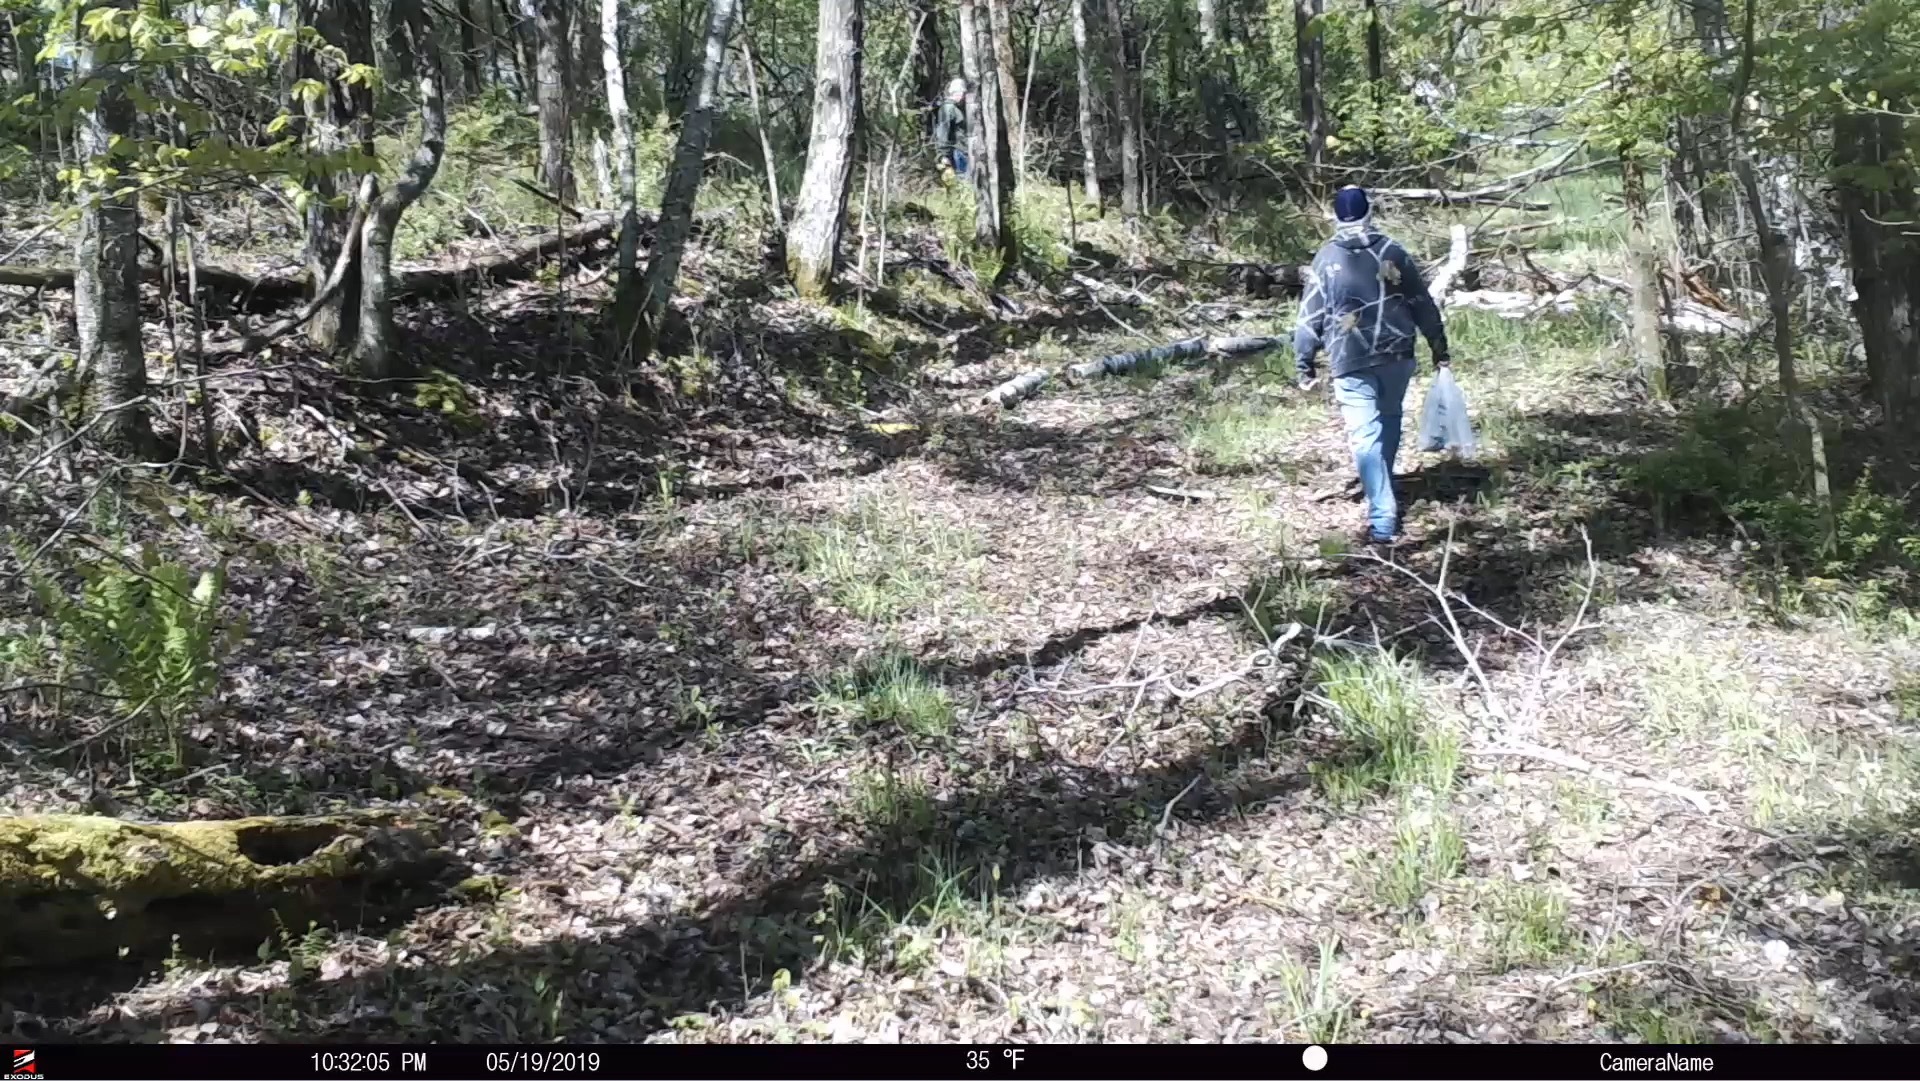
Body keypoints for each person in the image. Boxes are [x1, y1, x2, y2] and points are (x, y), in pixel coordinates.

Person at [1293, 186, 1452, 545]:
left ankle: (1383, 519)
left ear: (1336, 216)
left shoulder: (1327, 258)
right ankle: (1384, 488)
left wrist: (1304, 364)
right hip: (1398, 354)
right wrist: (1439, 347)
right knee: (1390, 419)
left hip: (1349, 357)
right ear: (1370, 212)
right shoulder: (1393, 251)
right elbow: (1422, 303)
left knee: (1365, 436)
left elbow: (1310, 316)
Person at [933, 78, 970, 179]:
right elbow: (943, 133)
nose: (964, 97)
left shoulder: (955, 108)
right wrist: (943, 155)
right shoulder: (948, 109)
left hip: (962, 151)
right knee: (963, 181)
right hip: (957, 152)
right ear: (957, 93)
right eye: (963, 93)